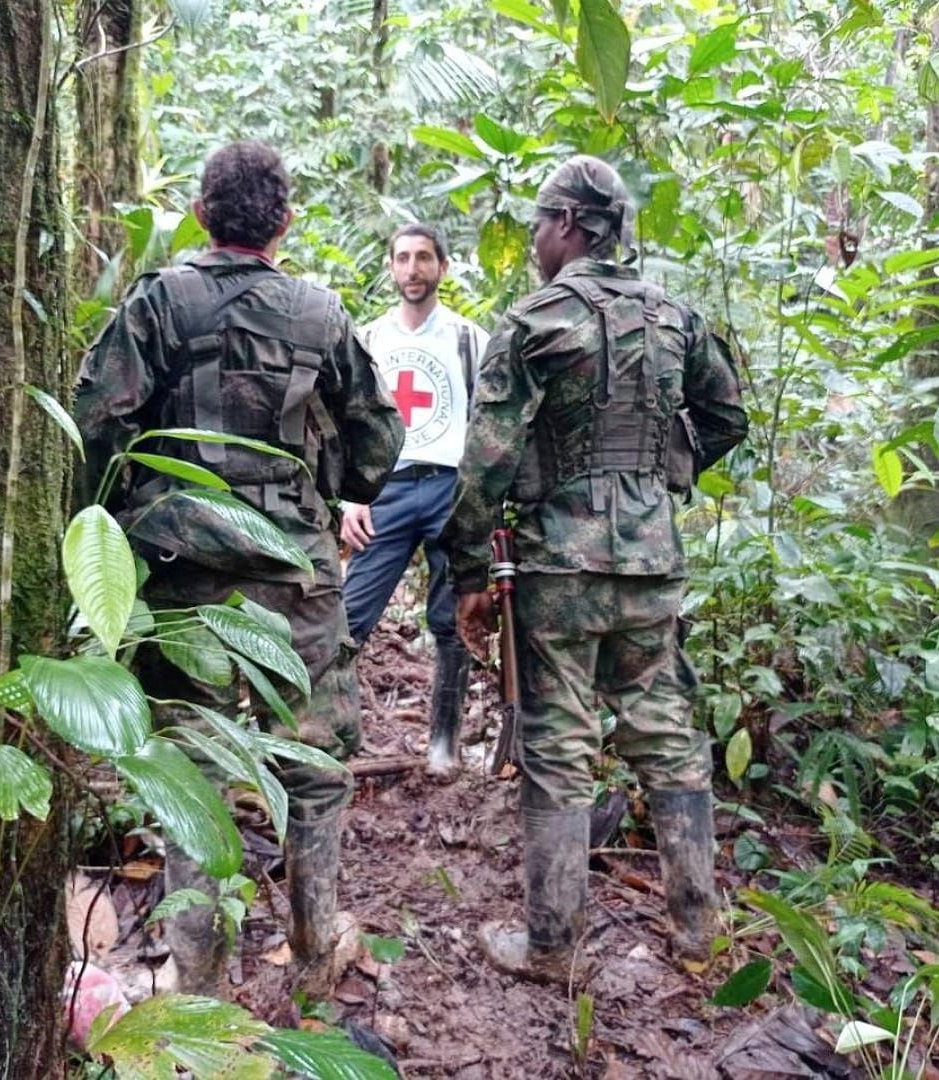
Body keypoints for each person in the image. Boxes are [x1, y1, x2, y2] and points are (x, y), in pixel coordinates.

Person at [75, 140, 404, 992]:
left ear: (198, 215)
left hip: (180, 568)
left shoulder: (156, 303)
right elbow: (376, 442)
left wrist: (114, 530)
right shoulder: (321, 313)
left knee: (193, 771)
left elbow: (97, 428)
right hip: (293, 569)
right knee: (316, 758)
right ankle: (315, 939)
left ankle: (200, 982)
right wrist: (329, 489)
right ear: (285, 223)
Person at [442, 155, 748, 982]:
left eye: (541, 221)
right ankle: (699, 932)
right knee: (666, 732)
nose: (536, 237)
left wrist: (469, 566)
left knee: (557, 741)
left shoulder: (536, 320)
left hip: (558, 568)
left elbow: (488, 455)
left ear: (571, 225)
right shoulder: (674, 316)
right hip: (651, 562)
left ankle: (551, 947)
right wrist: (656, 475)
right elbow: (725, 415)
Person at [340, 224, 489, 779]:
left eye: (423, 257)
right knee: (349, 616)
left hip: (452, 488)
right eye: (402, 258)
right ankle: (331, 739)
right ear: (391, 266)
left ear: (442, 268)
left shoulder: (470, 339)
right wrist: (346, 499)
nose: (412, 269)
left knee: (452, 620)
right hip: (388, 488)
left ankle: (444, 746)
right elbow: (343, 423)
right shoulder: (370, 339)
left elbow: (492, 427)